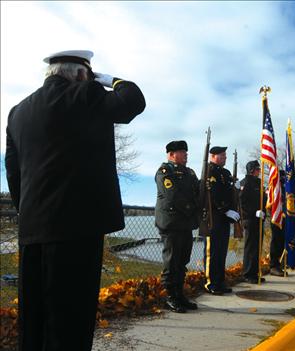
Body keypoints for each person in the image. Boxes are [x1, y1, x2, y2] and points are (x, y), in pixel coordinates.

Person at [5, 50, 145, 351]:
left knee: (34, 317)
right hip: (77, 229)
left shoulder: (18, 112)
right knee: (71, 320)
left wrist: (27, 211)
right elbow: (133, 101)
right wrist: (109, 79)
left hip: (32, 229)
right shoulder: (85, 95)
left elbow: (13, 171)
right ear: (82, 74)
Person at [155, 140, 199, 313]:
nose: (186, 155)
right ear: (172, 154)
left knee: (182, 261)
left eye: (186, 152)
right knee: (172, 261)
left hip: (185, 223)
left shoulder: (189, 172)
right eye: (183, 152)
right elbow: (172, 195)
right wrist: (191, 208)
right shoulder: (164, 172)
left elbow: (197, 191)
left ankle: (179, 295)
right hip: (171, 223)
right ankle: (170, 296)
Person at [203, 146, 240, 294]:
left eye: (225, 155)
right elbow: (213, 194)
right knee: (212, 252)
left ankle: (220, 281)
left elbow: (227, 194)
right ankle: (210, 283)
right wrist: (225, 210)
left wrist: (235, 188)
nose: (225, 158)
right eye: (222, 155)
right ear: (212, 156)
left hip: (225, 218)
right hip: (214, 217)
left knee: (221, 252)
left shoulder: (225, 173)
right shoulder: (209, 171)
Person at [240, 160, 267, 283]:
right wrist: (253, 212)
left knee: (257, 247)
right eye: (257, 169)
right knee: (250, 247)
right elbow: (242, 203)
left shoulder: (258, 183)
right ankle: (247, 274)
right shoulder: (245, 183)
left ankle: (255, 273)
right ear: (251, 171)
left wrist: (263, 211)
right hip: (250, 219)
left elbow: (263, 200)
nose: (259, 171)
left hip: (259, 218)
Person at [269, 170, 287, 276]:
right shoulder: (274, 188)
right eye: (283, 177)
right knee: (276, 242)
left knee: (281, 242)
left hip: (285, 218)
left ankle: (279, 264)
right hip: (276, 219)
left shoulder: (285, 188)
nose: (284, 180)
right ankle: (273, 266)